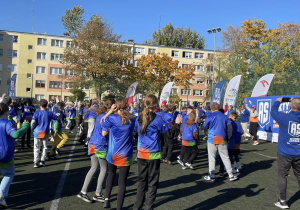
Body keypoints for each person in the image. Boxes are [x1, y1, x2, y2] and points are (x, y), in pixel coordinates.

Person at [133, 94, 181, 210]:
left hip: (141, 154)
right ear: (155, 104)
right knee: (152, 182)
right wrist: (177, 124)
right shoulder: (158, 119)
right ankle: (148, 207)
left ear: (145, 103)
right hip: (153, 155)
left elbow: (135, 133)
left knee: (142, 182)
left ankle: (137, 207)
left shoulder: (138, 118)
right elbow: (169, 135)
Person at [102, 99, 135, 210]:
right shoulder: (132, 119)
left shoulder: (111, 118)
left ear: (116, 106)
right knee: (122, 182)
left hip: (112, 152)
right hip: (126, 154)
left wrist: (110, 111)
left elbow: (103, 125)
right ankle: (119, 207)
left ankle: (106, 199)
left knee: (111, 174)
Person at [271, 97, 300, 209]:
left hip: (285, 154)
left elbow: (273, 111)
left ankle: (283, 201)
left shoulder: (284, 117)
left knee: (282, 176)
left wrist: (280, 100)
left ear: (290, 106)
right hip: (298, 153)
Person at [0, 103, 30, 207]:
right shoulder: (5, 122)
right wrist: (25, 126)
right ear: (7, 112)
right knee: (8, 174)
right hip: (4, 155)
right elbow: (16, 134)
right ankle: (1, 196)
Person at [77, 105, 108, 203]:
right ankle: (98, 193)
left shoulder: (99, 115)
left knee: (93, 167)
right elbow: (105, 132)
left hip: (92, 143)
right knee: (103, 169)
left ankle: (83, 191)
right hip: (100, 144)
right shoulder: (106, 117)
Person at [202, 102, 238, 182]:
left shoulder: (210, 116)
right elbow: (230, 129)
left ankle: (212, 175)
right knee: (225, 157)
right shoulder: (225, 117)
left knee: (212, 158)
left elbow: (204, 127)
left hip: (212, 139)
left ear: (211, 109)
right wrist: (227, 138)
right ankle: (231, 175)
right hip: (222, 139)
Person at [31, 99, 57, 168]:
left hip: (37, 131)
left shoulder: (37, 113)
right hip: (45, 131)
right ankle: (42, 161)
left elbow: (33, 122)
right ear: (47, 105)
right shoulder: (49, 113)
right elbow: (56, 117)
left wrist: (32, 129)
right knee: (45, 147)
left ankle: (36, 162)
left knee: (36, 147)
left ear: (40, 105)